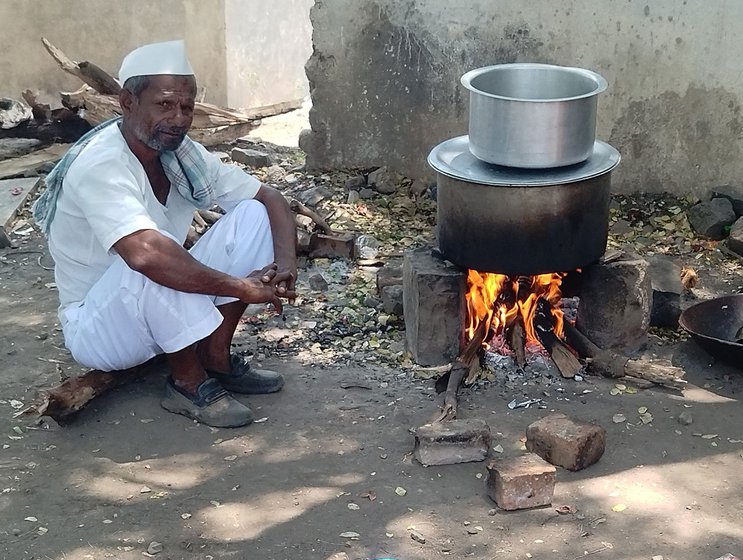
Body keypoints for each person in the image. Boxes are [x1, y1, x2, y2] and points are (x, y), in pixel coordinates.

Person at [33, 40, 297, 428]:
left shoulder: (178, 152)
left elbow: (269, 197)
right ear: (127, 102)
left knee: (254, 214)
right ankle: (187, 383)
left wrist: (287, 266)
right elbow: (145, 255)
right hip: (100, 328)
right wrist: (242, 287)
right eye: (165, 105)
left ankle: (215, 357)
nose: (178, 119)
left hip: (150, 309)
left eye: (186, 107)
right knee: (155, 253)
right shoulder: (101, 164)